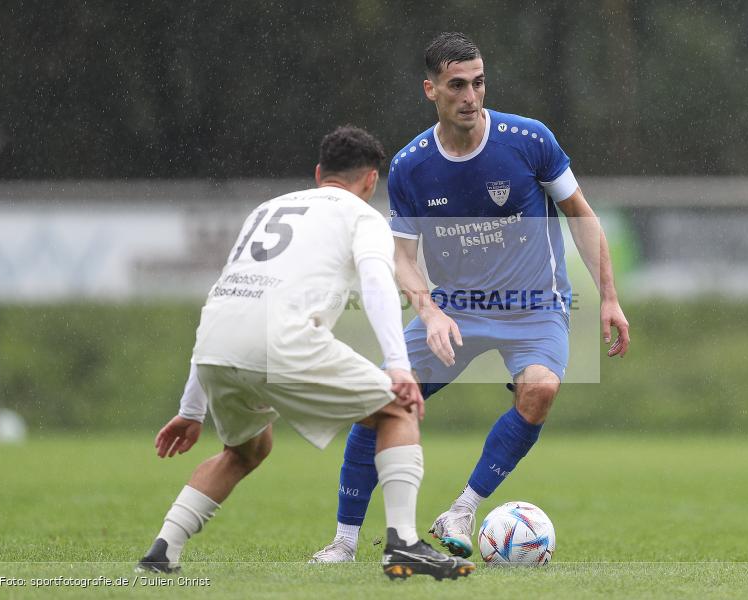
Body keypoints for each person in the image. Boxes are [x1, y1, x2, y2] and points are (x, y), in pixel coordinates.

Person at [311, 33, 630, 563]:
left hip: (535, 304)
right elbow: (402, 256)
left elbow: (580, 213)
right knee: (379, 403)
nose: (471, 96)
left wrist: (610, 298)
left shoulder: (528, 140)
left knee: (541, 390)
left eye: (478, 82)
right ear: (430, 89)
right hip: (456, 309)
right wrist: (430, 311)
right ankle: (344, 541)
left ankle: (462, 508)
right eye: (457, 85)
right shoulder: (413, 165)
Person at [136, 126, 475, 581]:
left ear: (319, 173)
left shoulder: (267, 208)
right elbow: (377, 281)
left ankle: (162, 551)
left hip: (216, 342)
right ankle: (404, 545)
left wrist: (191, 409)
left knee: (246, 449)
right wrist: (398, 366)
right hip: (281, 339)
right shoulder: (363, 216)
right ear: (371, 180)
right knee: (398, 410)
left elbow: (226, 296)